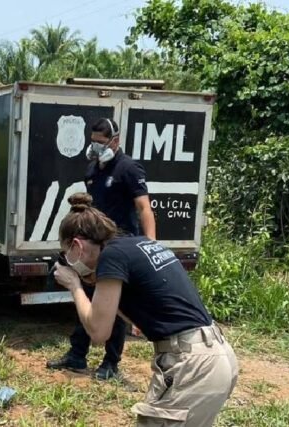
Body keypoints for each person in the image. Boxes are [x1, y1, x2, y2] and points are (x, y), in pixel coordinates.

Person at [53, 193, 238, 426]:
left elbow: (99, 333)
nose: (66, 260)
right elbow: (124, 307)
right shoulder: (135, 245)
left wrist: (74, 284)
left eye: (65, 253)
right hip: (214, 355)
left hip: (191, 365)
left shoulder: (111, 257)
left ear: (77, 246)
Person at [47, 118, 156, 380]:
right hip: (94, 247)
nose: (95, 147)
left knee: (114, 305)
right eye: (93, 141)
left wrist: (150, 245)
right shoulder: (92, 170)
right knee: (85, 297)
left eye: (100, 142)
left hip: (120, 247)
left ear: (115, 141)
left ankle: (110, 363)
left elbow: (144, 208)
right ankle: (76, 356)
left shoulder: (128, 168)